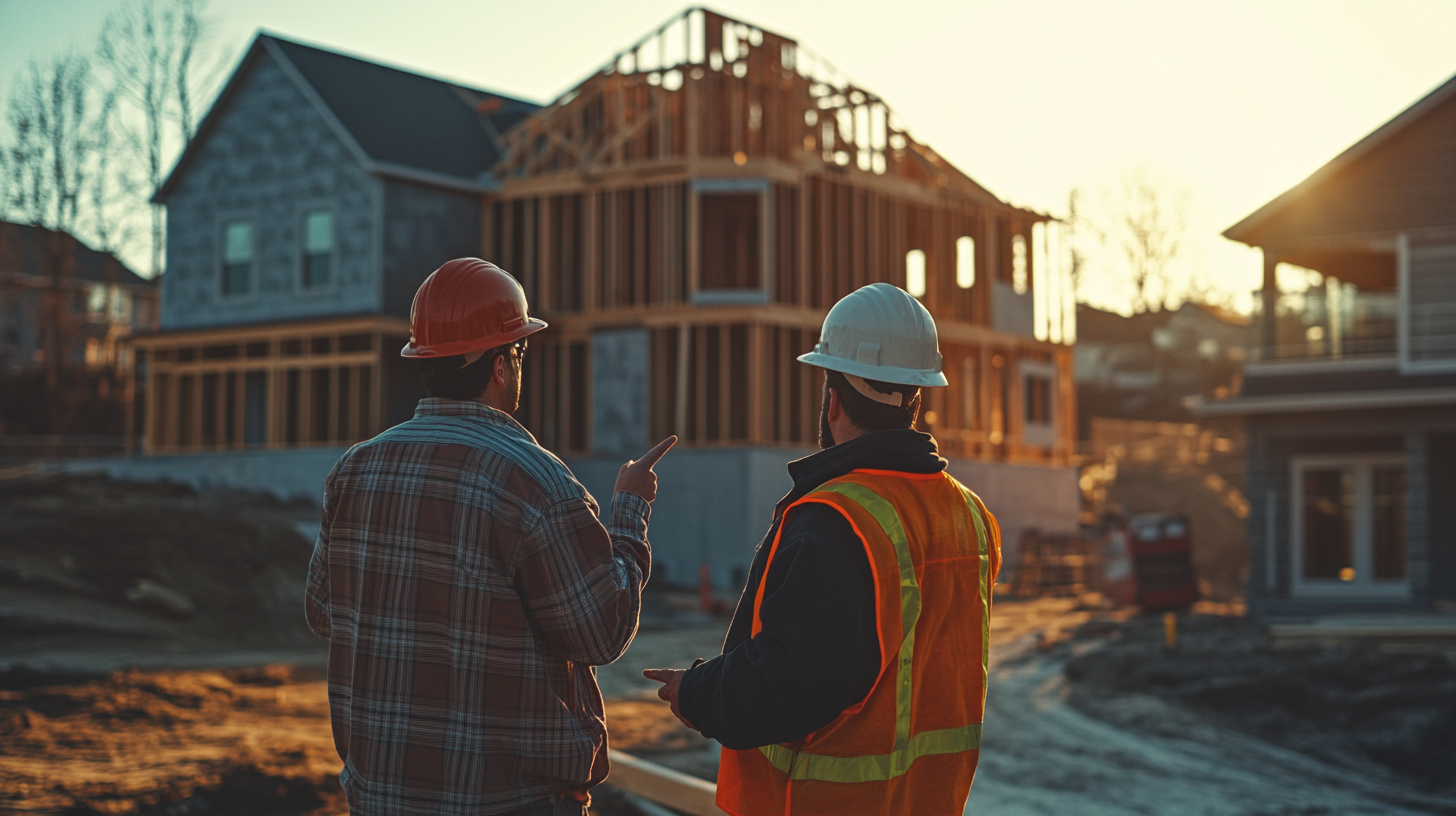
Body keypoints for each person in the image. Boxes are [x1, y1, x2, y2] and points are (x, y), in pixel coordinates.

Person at [306, 258, 675, 815]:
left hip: (382, 798)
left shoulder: (356, 470)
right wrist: (629, 509)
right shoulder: (534, 479)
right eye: (520, 354)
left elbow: (323, 612)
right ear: (501, 365)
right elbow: (601, 630)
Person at [645, 282, 1001, 815]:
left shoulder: (836, 520)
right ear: (916, 399)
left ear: (833, 399)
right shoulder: (970, 516)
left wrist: (696, 693)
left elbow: (789, 683)